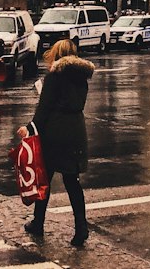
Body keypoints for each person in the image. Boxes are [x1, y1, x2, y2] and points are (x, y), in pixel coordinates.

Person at [17, 38, 94, 249]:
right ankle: (81, 228)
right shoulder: (82, 77)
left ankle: (38, 223)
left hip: (54, 131)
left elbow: (44, 109)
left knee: (44, 178)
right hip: (76, 130)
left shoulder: (54, 77)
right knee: (72, 181)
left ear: (57, 54)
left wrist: (29, 128)